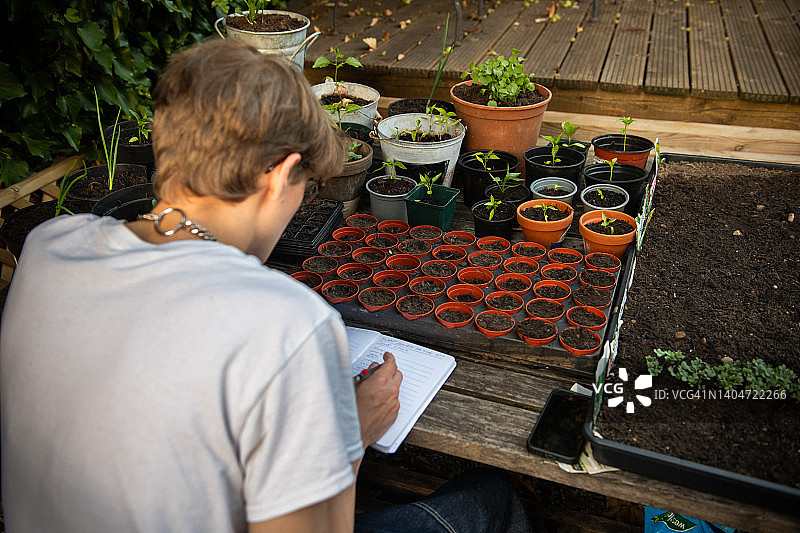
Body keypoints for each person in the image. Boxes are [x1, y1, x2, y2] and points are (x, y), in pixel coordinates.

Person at [1, 38, 532, 533]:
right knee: (489, 497)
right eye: (306, 185)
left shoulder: (53, 243)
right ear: (280, 175)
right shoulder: (287, 323)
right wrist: (352, 432)